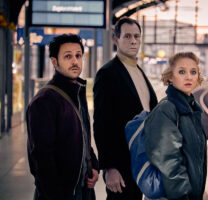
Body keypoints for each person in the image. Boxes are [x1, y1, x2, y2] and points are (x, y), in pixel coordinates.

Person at [26, 34, 99, 200]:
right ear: (54, 62)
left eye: (78, 55)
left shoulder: (78, 93)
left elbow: (84, 138)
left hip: (83, 190)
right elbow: (42, 160)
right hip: (61, 194)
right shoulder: (45, 101)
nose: (75, 61)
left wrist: (93, 165)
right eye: (68, 56)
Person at [93, 17, 158, 200]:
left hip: (141, 160)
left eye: (137, 36)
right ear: (116, 40)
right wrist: (110, 167)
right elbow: (101, 123)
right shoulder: (108, 74)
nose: (133, 41)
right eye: (127, 36)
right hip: (121, 164)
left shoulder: (139, 71)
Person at [144, 52, 207, 200]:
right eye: (182, 71)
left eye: (193, 72)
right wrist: (182, 196)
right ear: (170, 77)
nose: (189, 77)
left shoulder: (191, 111)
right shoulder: (166, 110)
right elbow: (168, 163)